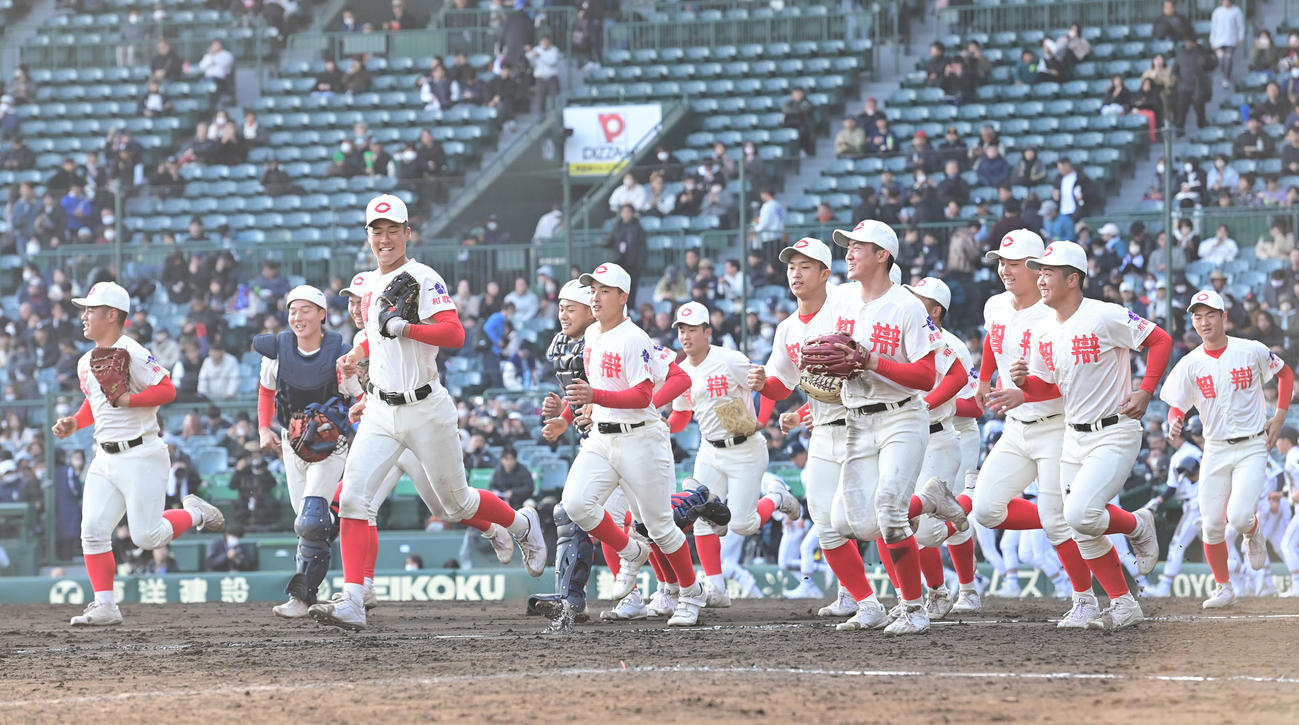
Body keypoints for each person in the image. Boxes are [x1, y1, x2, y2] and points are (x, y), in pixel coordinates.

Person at [309, 195, 545, 631]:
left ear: (407, 233)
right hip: (380, 409)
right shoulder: (371, 286)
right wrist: (357, 363)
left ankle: (521, 523)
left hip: (425, 407)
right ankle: (355, 599)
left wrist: (407, 327)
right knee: (353, 500)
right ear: (368, 236)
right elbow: (374, 341)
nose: (384, 238)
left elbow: (455, 333)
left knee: (455, 503)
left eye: (392, 230)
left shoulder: (421, 276)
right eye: (377, 231)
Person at [818, 221, 969, 634]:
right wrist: (831, 370)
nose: (848, 253)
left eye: (858, 247)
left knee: (888, 510)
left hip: (902, 416)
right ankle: (931, 498)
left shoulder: (907, 306)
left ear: (883, 255)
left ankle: (914, 609)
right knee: (850, 524)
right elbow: (837, 350)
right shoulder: (842, 298)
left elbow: (925, 377)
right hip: (857, 420)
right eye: (847, 247)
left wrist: (870, 362)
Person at [1014, 241, 1171, 630]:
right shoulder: (1043, 330)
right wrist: (1023, 384)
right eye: (1040, 270)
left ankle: (1136, 525)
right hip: (1073, 434)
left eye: (1049, 272)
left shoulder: (1105, 315)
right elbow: (1048, 387)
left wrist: (1147, 389)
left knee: (1081, 514)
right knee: (1077, 526)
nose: (1041, 278)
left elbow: (1160, 339)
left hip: (1114, 431)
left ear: (1073, 278)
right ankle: (1123, 604)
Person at [51, 282, 225, 626]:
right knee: (93, 531)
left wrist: (129, 399)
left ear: (112, 315)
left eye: (91, 309)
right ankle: (105, 606)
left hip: (141, 453)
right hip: (104, 457)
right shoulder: (86, 361)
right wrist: (75, 422)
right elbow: (97, 402)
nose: (84, 316)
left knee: (147, 537)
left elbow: (167, 389)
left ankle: (194, 512)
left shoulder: (131, 349)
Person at [556, 263, 708, 626]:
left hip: (640, 438)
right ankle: (631, 550)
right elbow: (602, 387)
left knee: (659, 526)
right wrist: (584, 406)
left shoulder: (633, 337)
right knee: (576, 504)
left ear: (623, 297)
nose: (595, 296)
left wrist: (596, 394)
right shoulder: (592, 334)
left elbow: (643, 396)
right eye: (592, 290)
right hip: (602, 437)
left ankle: (692, 593)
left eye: (604, 291)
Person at [1160, 290, 1291, 607]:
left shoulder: (1250, 350)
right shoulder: (1190, 363)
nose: (1203, 322)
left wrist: (1279, 417)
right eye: (1197, 316)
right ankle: (1224, 587)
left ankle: (1253, 530)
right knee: (1210, 523)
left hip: (1251, 445)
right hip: (1215, 447)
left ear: (1224, 317)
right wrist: (1175, 421)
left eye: (1209, 315)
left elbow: (1285, 374)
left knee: (1240, 516)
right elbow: (1176, 405)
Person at [668, 301, 801, 608]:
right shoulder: (682, 372)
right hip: (709, 450)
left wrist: (763, 421)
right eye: (681, 330)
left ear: (707, 332)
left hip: (745, 449)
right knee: (700, 516)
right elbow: (681, 416)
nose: (686, 336)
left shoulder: (730, 360)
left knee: (743, 524)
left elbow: (767, 387)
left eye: (692, 330)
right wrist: (663, 426)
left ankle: (777, 497)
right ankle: (717, 589)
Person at [253, 286, 356, 617]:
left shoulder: (340, 352)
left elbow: (356, 397)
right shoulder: (278, 350)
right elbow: (266, 391)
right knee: (306, 521)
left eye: (306, 310)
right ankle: (334, 524)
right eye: (293, 310)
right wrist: (262, 428)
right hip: (291, 442)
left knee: (311, 520)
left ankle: (302, 599)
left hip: (330, 444)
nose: (298, 317)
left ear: (322, 314)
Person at [904, 277, 982, 617]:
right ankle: (938, 591)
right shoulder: (907, 338)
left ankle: (967, 590)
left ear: (936, 311)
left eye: (919, 300)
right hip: (921, 434)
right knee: (923, 521)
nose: (910, 303)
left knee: (933, 523)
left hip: (959, 434)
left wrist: (932, 403)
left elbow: (976, 406)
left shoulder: (953, 346)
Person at [1142, 418, 1204, 597]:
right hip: (1195, 503)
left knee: (1177, 544)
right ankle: (1243, 574)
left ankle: (1165, 586)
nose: (1168, 440)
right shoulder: (1182, 453)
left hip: (1195, 504)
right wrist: (1159, 500)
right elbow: (1173, 485)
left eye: (1170, 437)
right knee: (1213, 545)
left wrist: (1159, 500)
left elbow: (1174, 486)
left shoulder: (1188, 453)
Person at [1173, 37, 1214, 135]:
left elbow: (1211, 66)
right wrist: (1179, 80)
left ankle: (1202, 127)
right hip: (1184, 86)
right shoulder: (1180, 54)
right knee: (1182, 110)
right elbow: (1175, 69)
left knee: (1200, 109)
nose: (1188, 43)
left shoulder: (1201, 52)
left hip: (1198, 86)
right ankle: (1180, 130)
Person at [1210, 0, 1245, 88]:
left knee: (1228, 58)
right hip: (1219, 41)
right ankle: (1225, 75)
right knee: (1221, 59)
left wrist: (1240, 37)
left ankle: (1226, 78)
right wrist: (1212, 40)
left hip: (1231, 40)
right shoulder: (1217, 12)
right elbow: (1214, 27)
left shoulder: (1237, 11)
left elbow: (1241, 26)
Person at [526, 35, 562, 113]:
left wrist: (540, 56)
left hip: (552, 77)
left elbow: (552, 62)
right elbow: (531, 61)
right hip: (540, 79)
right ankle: (541, 118)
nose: (545, 43)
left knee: (555, 99)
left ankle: (555, 115)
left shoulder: (554, 50)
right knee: (540, 100)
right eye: (543, 41)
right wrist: (529, 52)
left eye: (546, 41)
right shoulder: (536, 49)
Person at [782, 87, 815, 156]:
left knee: (803, 132)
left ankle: (802, 150)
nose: (797, 95)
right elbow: (785, 109)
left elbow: (805, 109)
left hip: (804, 126)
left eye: (799, 94)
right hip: (790, 125)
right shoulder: (789, 103)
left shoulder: (807, 102)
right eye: (795, 94)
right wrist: (797, 110)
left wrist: (794, 111)